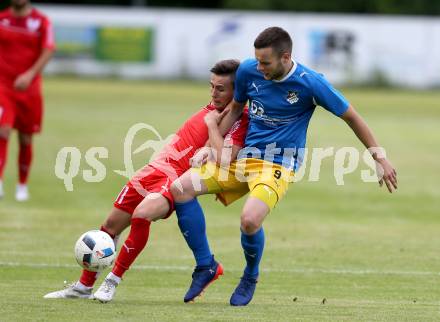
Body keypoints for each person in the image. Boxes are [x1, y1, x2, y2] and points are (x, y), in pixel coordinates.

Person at [170, 26, 398, 306]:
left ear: (285, 57)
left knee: (250, 220)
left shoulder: (311, 83)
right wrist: (208, 148)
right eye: (257, 61)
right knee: (180, 188)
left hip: (278, 162)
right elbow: (234, 110)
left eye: (266, 62)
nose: (260, 67)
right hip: (242, 159)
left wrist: (380, 157)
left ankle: (250, 276)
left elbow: (352, 117)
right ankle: (205, 265)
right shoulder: (248, 71)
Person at [43, 59, 249, 302]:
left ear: (237, 90)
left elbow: (223, 154)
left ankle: (112, 281)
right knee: (109, 227)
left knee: (142, 214)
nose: (213, 93)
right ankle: (83, 287)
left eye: (220, 88)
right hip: (152, 169)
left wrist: (210, 139)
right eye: (211, 86)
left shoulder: (239, 118)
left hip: (175, 177)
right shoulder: (214, 110)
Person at [0, 0, 55, 201]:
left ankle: (22, 185)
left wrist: (29, 75)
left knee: (25, 138)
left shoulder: (41, 22)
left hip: (29, 90)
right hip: (3, 86)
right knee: (2, 130)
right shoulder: (2, 19)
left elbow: (49, 49)